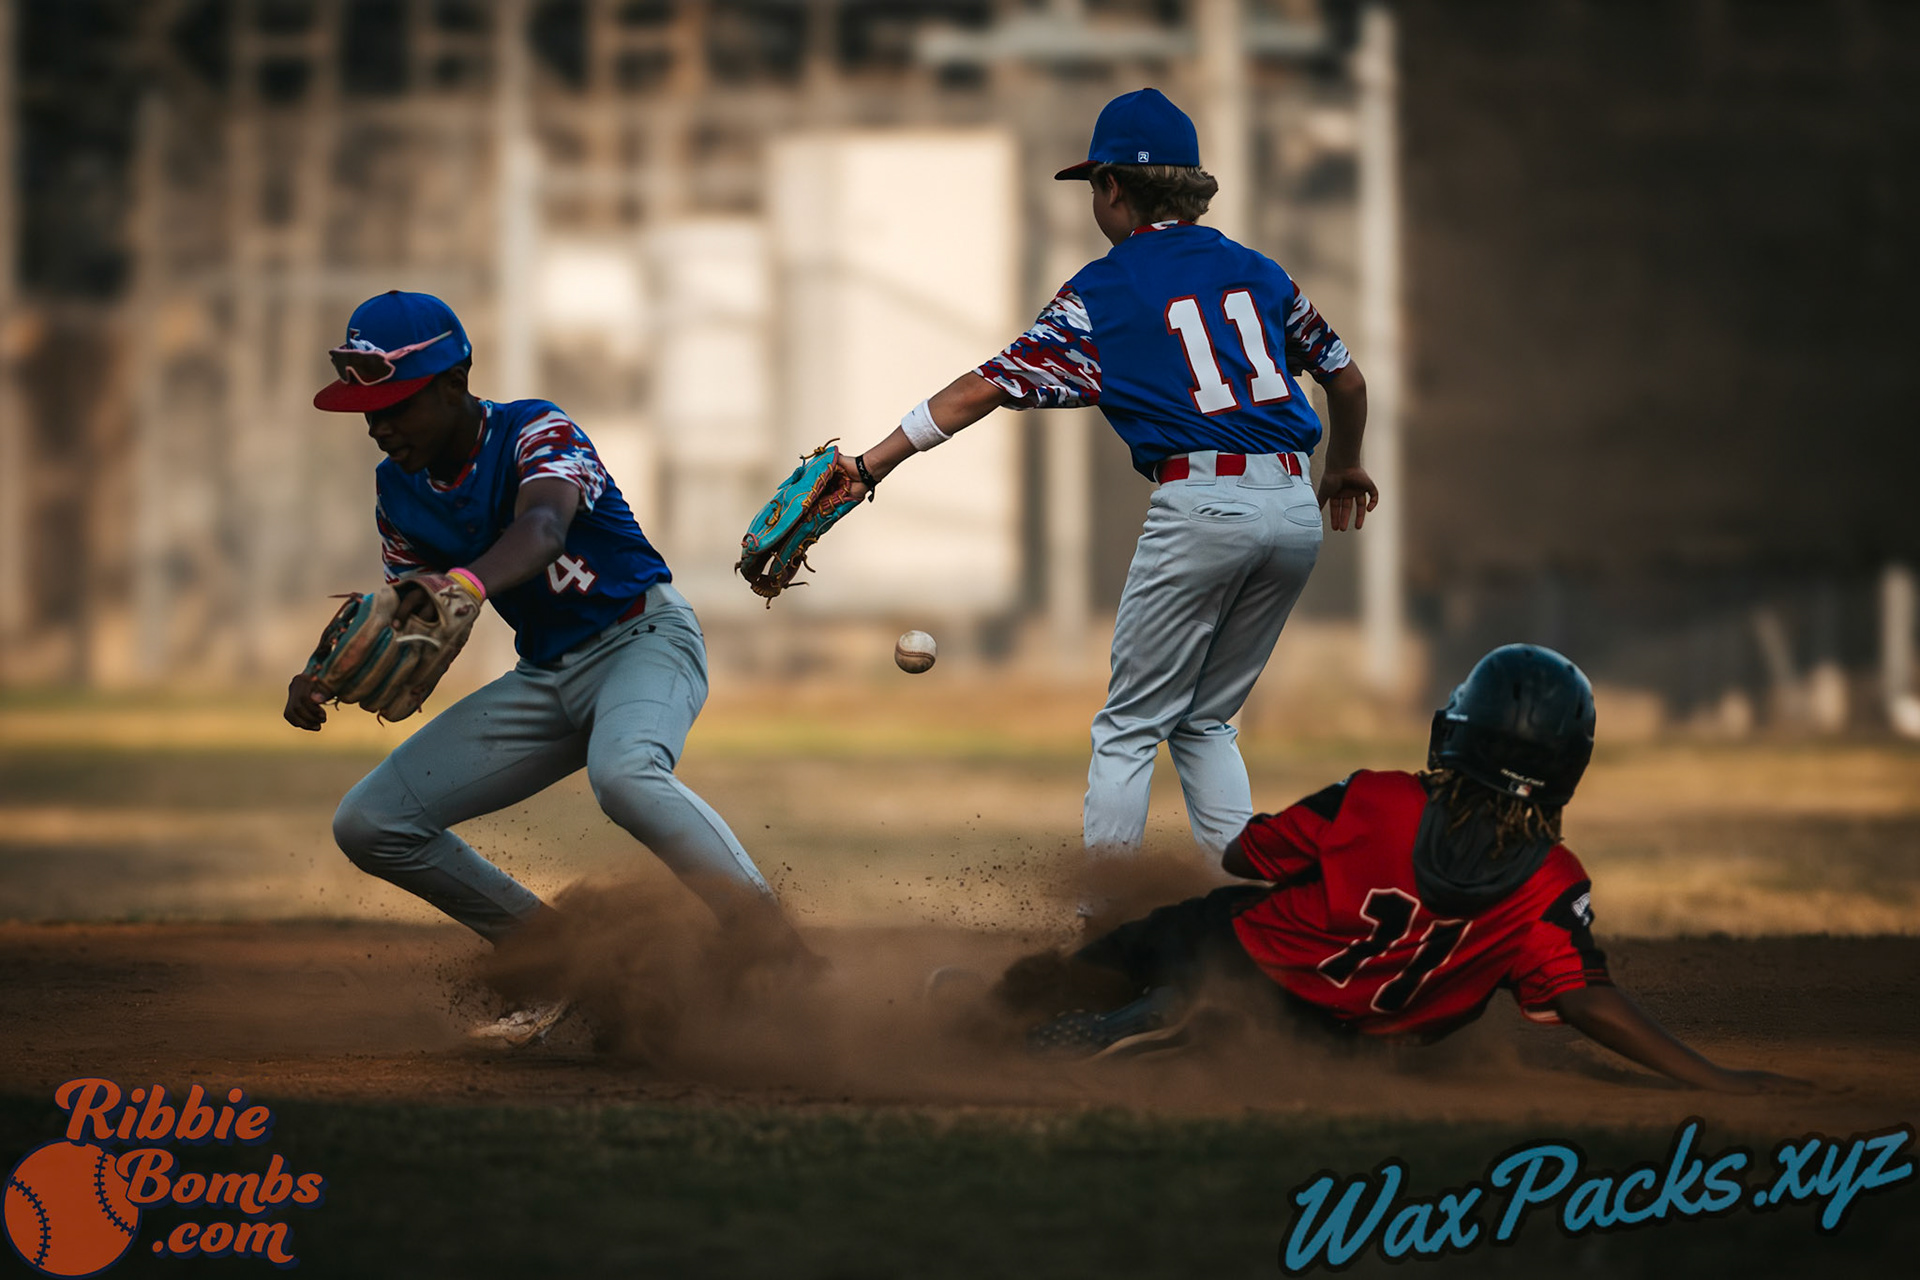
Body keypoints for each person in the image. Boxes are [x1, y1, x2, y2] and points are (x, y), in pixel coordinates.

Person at [830, 88, 1376, 867]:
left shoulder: (1106, 287)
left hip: (1203, 504)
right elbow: (1347, 380)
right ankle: (1255, 914)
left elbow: (987, 384)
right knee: (1206, 722)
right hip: (1292, 507)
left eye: (1094, 184)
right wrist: (1347, 463)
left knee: (1128, 727)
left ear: (1114, 187)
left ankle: (1103, 925)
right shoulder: (1262, 272)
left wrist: (871, 463)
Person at [287, 290, 807, 1045]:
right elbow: (413, 612)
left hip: (644, 641)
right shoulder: (396, 489)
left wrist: (461, 583)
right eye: (368, 410)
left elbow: (542, 526)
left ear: (454, 382)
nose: (380, 425)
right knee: (371, 823)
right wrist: (326, 672)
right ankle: (568, 964)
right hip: (548, 678)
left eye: (396, 403)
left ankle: (781, 957)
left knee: (626, 776)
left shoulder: (535, 429)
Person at [998, 645, 1806, 1094]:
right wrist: (1715, 1077)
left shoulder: (1380, 799)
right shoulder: (1553, 886)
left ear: (1459, 730)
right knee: (1310, 1034)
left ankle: (1003, 1013)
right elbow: (1587, 1001)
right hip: (1347, 1040)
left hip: (1245, 957)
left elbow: (1248, 855)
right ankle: (1193, 1029)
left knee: (1172, 931)